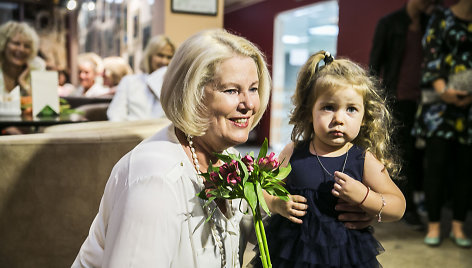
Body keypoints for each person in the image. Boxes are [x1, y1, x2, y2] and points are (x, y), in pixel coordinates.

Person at [72, 29, 270, 267]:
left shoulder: (229, 159)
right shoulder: (155, 180)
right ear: (192, 95)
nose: (249, 104)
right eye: (231, 90)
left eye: (253, 88)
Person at [258, 51, 406, 267]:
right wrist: (276, 203)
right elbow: (263, 189)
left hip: (344, 256)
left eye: (351, 109)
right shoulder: (293, 152)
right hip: (292, 253)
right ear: (310, 111)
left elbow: (398, 206)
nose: (338, 118)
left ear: (364, 118)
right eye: (328, 107)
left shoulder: (363, 159)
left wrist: (366, 197)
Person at [369, 0, 437, 228]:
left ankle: (419, 202)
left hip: (429, 101)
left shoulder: (432, 24)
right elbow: (374, 65)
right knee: (403, 154)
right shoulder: (390, 24)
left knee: (424, 156)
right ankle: (405, 206)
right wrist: (375, 100)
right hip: (398, 99)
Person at [412, 0, 472, 248]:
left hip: (469, 109)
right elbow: (431, 55)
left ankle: (458, 226)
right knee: (435, 167)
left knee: (465, 170)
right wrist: (443, 90)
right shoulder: (440, 18)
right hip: (438, 106)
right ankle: (434, 224)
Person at [106, 35, 175, 121]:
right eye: (160, 55)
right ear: (150, 56)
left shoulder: (175, 86)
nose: (164, 61)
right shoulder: (129, 81)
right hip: (130, 131)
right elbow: (115, 114)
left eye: (169, 57)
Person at [0, 21, 43, 134]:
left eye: (27, 46)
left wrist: (23, 82)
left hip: (28, 129)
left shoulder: (36, 68)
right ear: (4, 44)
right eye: (16, 43)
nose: (21, 49)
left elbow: (41, 106)